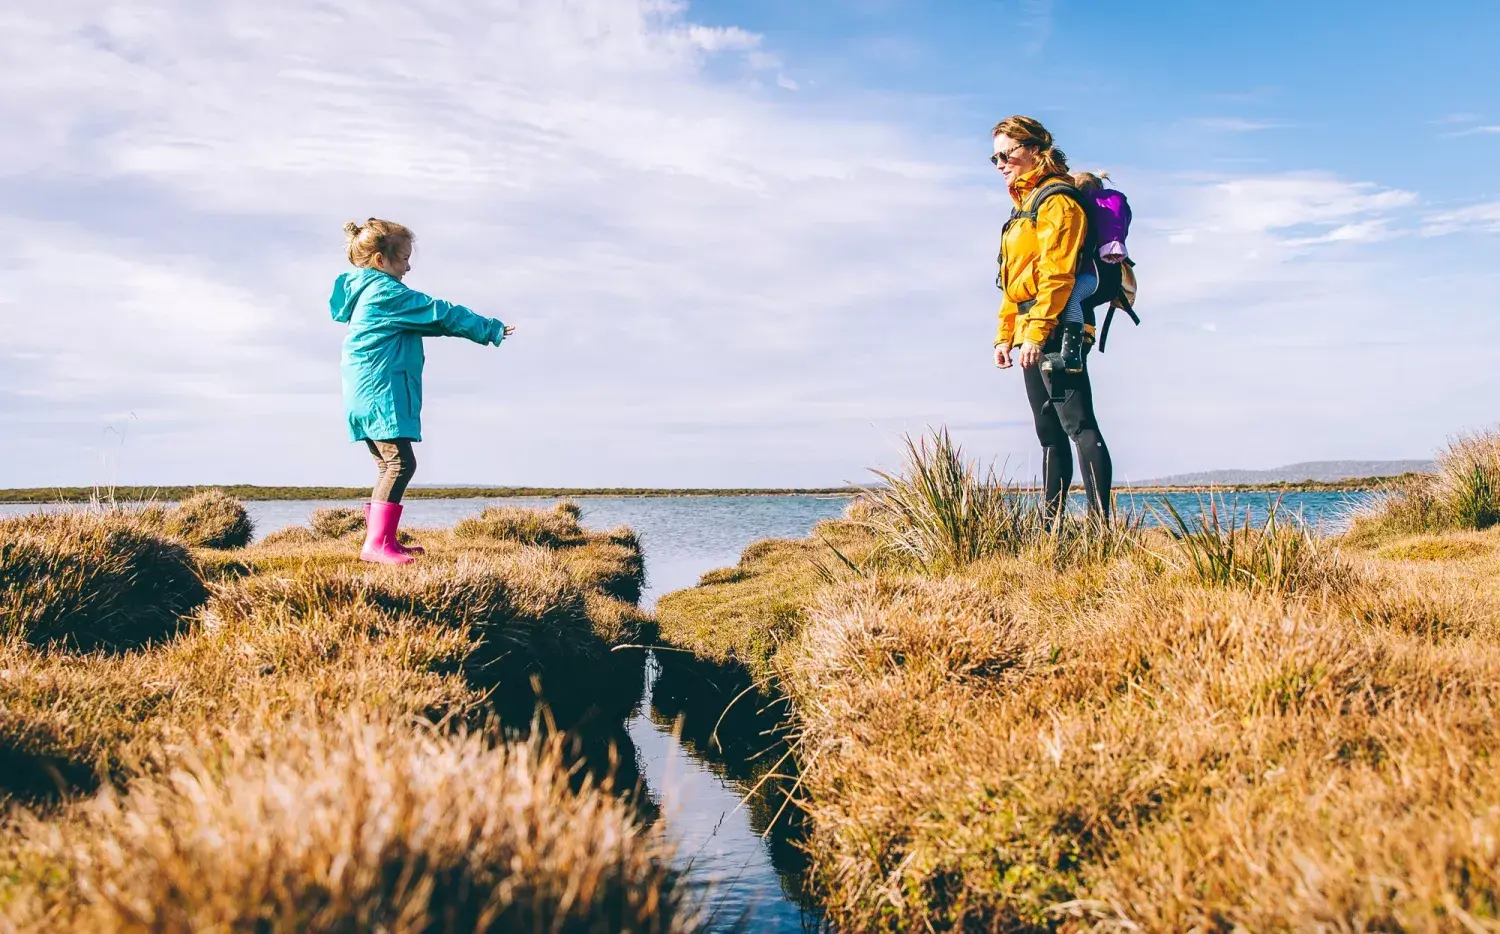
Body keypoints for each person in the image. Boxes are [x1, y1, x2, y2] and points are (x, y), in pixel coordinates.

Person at [330, 218, 515, 564]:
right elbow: (439, 314)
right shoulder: (387, 293)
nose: (408, 265)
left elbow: (432, 323)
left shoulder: (368, 293)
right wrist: (489, 328)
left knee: (388, 465)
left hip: (364, 394)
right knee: (400, 463)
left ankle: (384, 541)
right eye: (402, 258)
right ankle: (376, 544)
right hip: (379, 392)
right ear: (380, 261)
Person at [991, 116, 1113, 520]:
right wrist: (1004, 336)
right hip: (1030, 329)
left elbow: (1057, 275)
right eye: (994, 158)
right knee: (1048, 435)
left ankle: (1101, 529)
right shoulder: (1021, 206)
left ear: (1035, 149)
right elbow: (1014, 283)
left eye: (1006, 153)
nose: (1000, 163)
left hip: (1059, 325)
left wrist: (1038, 334)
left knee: (1079, 425)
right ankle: (1050, 528)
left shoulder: (1057, 201)